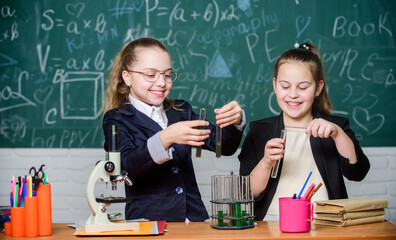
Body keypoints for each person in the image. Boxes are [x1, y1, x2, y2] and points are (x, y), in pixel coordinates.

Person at [102, 37, 245, 222]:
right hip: (149, 225)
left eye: (167, 75)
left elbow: (223, 146)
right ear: (127, 77)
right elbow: (126, 166)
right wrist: (165, 138)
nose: (161, 83)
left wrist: (235, 121)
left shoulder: (181, 110)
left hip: (194, 221)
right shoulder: (117, 119)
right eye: (151, 75)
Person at [238, 42, 370, 221]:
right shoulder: (259, 130)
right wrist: (267, 162)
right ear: (275, 85)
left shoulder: (335, 128)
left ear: (318, 88)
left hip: (326, 223)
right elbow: (247, 193)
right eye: (285, 86)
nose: (293, 94)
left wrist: (338, 134)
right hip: (272, 223)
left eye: (302, 87)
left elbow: (358, 173)